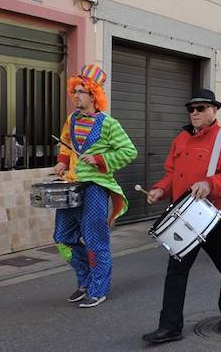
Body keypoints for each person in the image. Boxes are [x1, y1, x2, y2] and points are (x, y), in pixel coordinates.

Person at [142, 89, 221, 344]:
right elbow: (172, 173)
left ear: (214, 110)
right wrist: (160, 188)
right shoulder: (181, 138)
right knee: (175, 271)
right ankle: (170, 326)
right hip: (184, 217)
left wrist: (211, 184)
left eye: (201, 108)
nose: (195, 113)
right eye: (191, 109)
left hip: (217, 217)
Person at [53, 64, 138, 308]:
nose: (76, 96)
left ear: (93, 95)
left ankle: (98, 288)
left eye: (81, 91)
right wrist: (62, 161)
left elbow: (129, 151)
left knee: (95, 239)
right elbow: (65, 142)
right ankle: (85, 279)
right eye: (75, 90)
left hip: (95, 188)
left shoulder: (109, 124)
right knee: (62, 237)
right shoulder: (72, 119)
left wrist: (101, 159)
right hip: (71, 186)